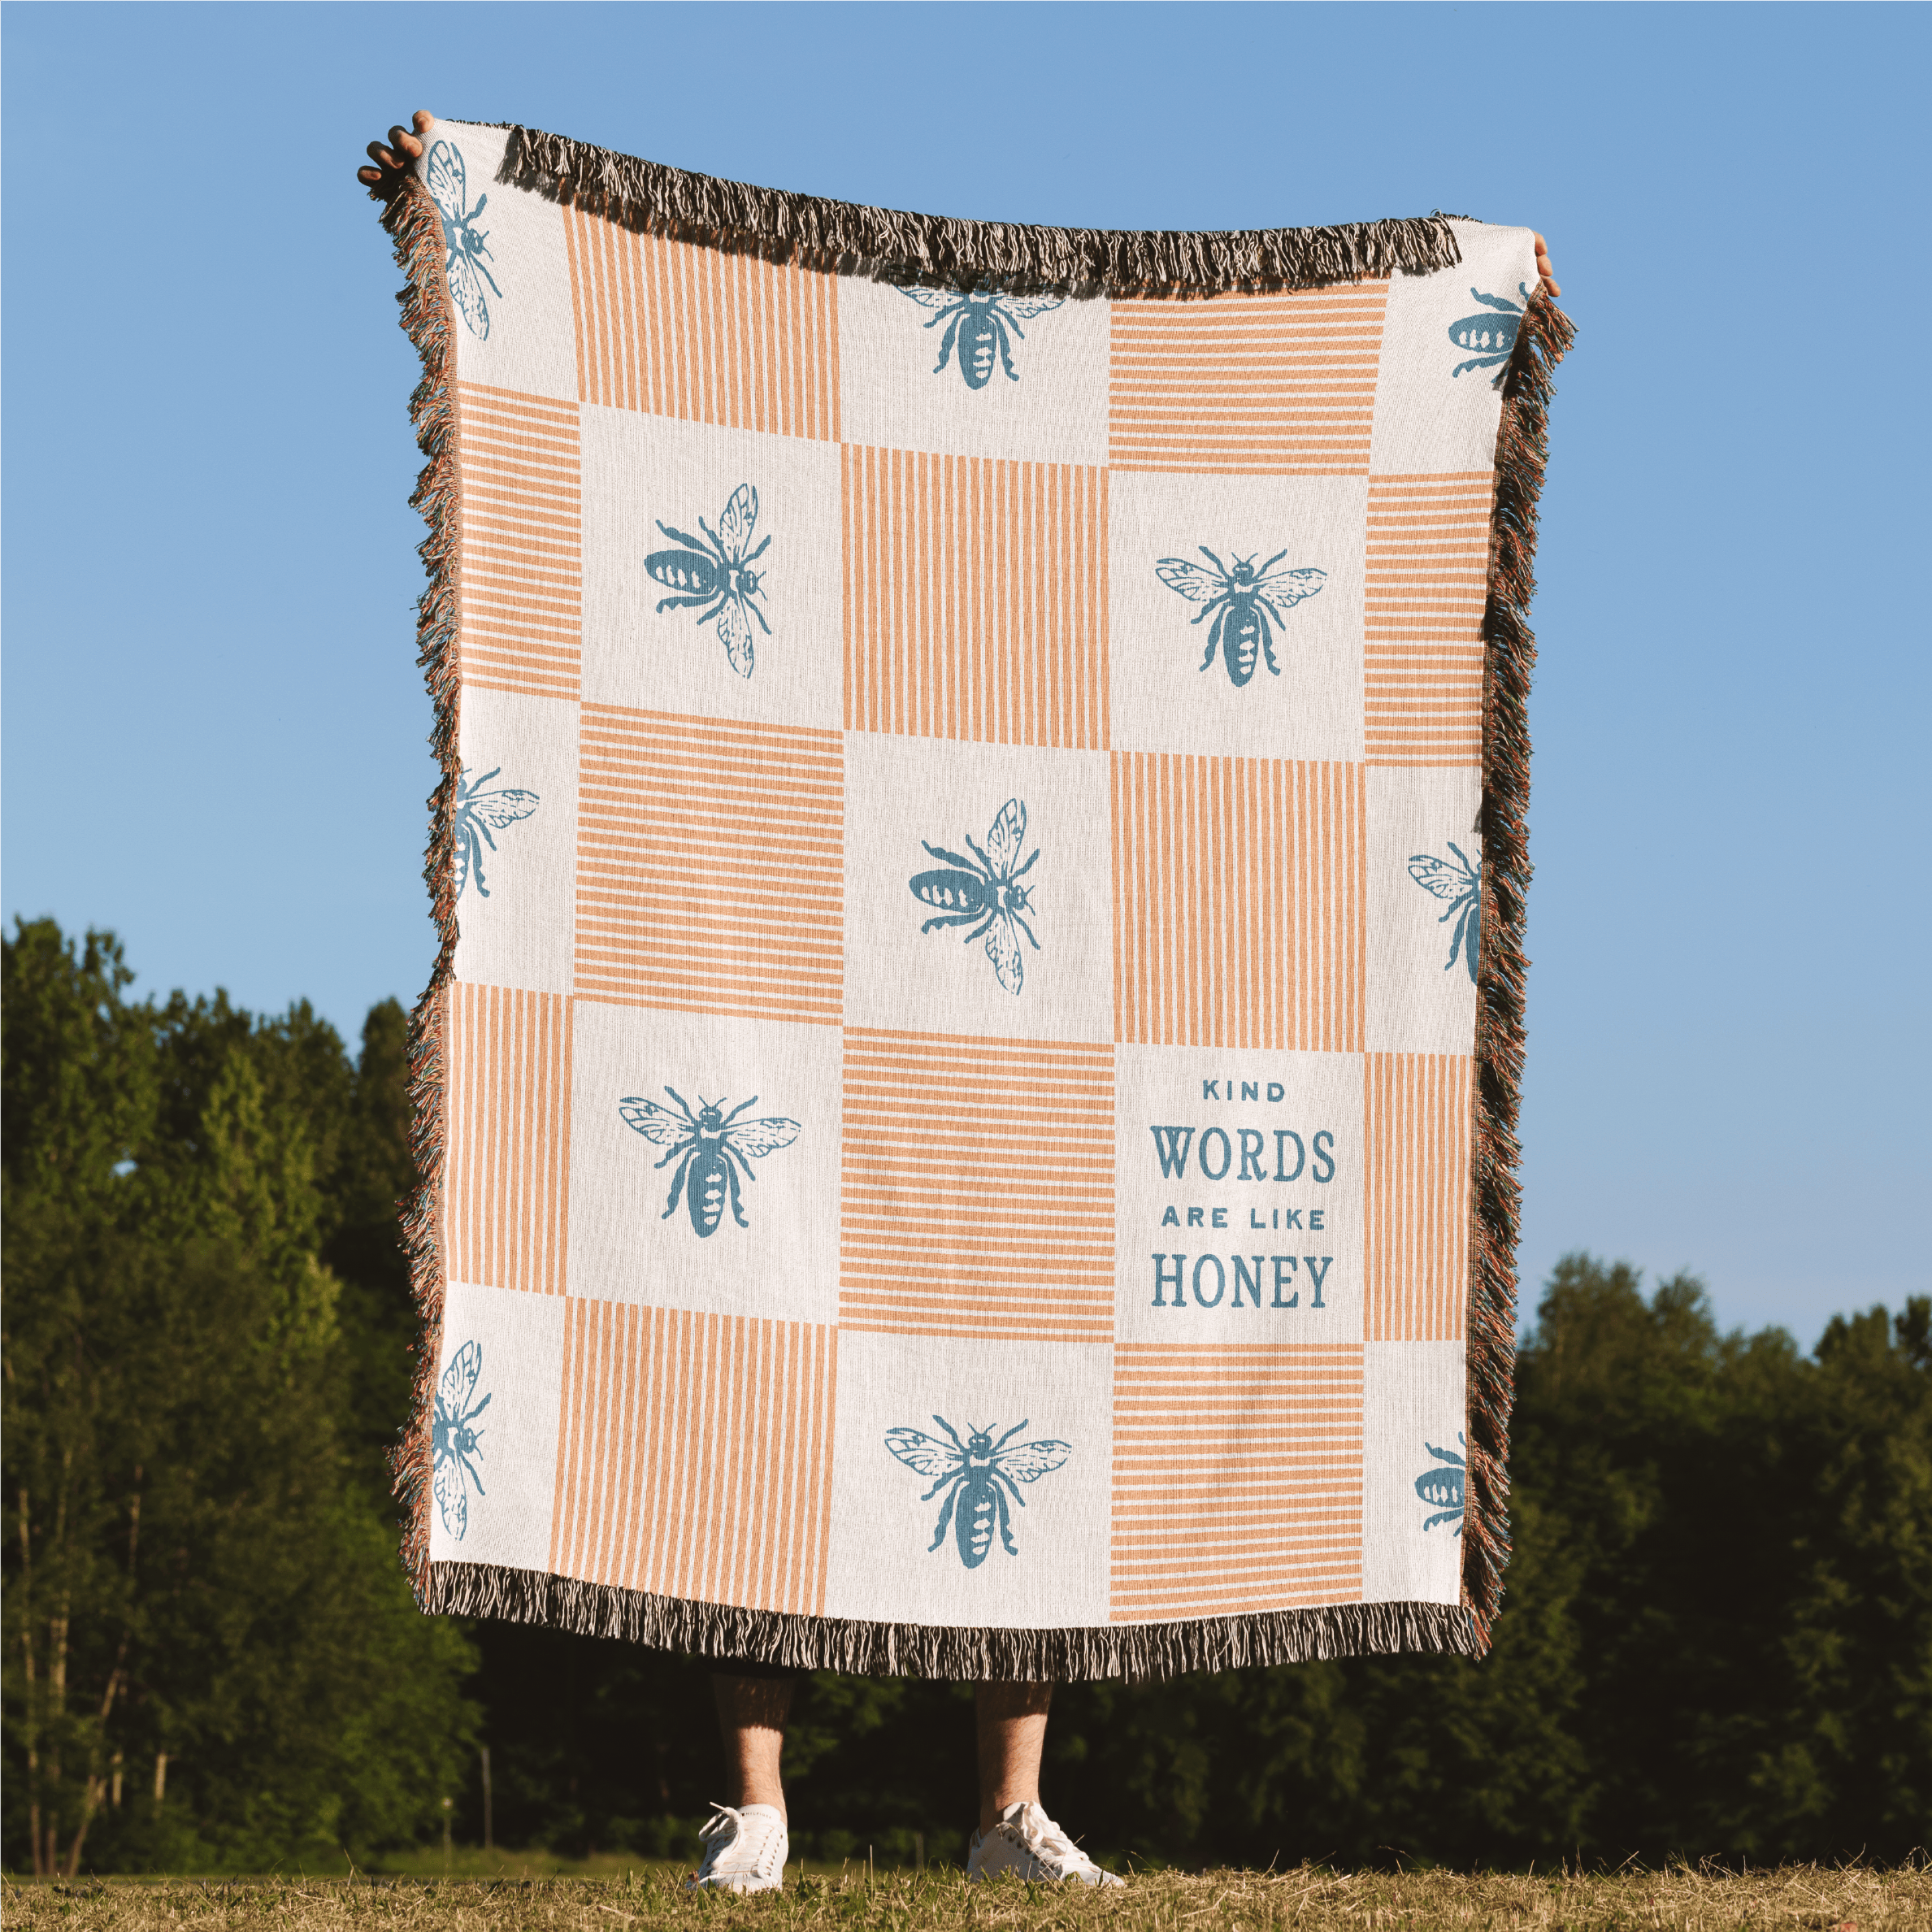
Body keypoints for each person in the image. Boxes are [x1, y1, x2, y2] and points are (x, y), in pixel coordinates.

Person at [355, 111, 1559, 1892]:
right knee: (735, 1356)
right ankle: (758, 1808)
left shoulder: (1072, 691)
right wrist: (464, 174)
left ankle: (1011, 1812)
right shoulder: (842, 638)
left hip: (1036, 1041)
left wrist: (1481, 290)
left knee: (1041, 1381)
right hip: (795, 994)